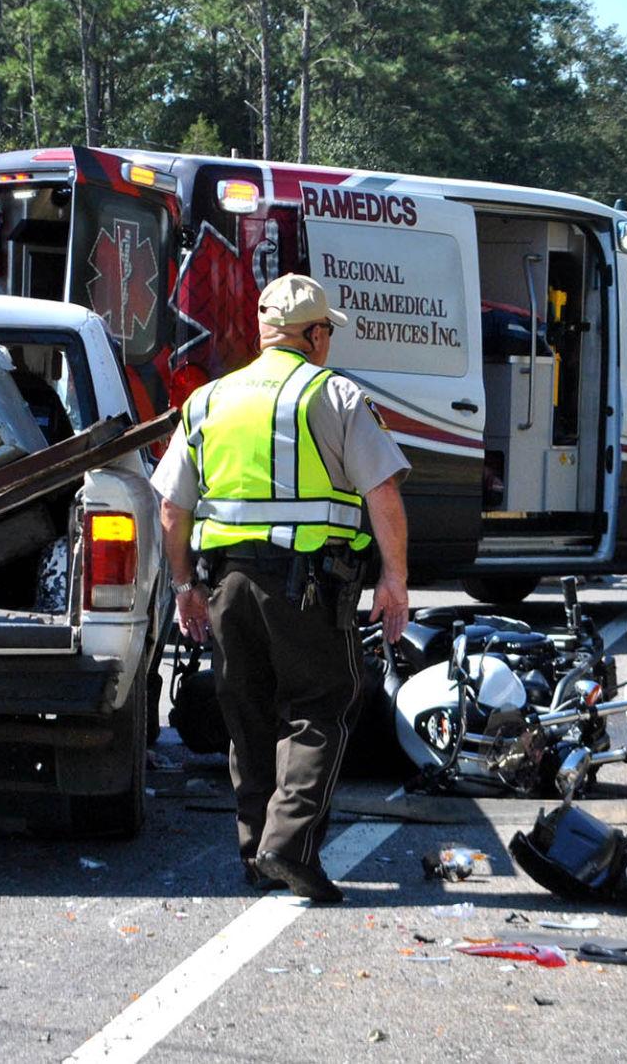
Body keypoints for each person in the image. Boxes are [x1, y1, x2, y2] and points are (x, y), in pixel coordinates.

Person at [153, 274, 410, 903]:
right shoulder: (336, 394)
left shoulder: (209, 399)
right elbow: (383, 492)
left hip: (226, 586)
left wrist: (184, 586)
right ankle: (288, 848)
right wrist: (394, 580)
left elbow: (170, 509)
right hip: (308, 585)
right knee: (320, 709)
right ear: (316, 334)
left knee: (249, 716)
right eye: (328, 332)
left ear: (267, 331)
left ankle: (254, 854)